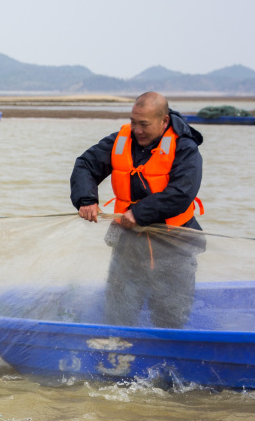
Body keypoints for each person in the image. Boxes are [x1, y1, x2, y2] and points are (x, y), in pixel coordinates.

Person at [70, 91, 205, 328]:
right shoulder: (120, 140)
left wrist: (140, 213)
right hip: (128, 241)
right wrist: (86, 199)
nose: (137, 130)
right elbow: (86, 165)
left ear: (164, 121)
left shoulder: (185, 147)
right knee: (118, 309)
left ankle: (167, 357)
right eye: (133, 122)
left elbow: (182, 192)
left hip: (175, 243)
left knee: (171, 314)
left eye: (144, 124)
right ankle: (119, 352)